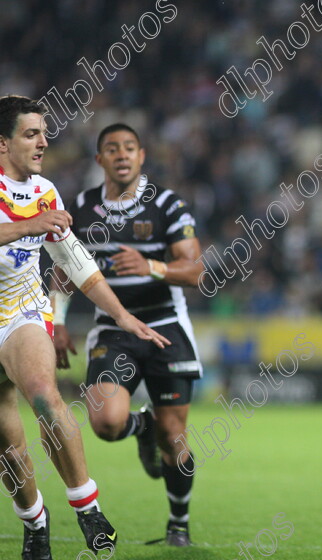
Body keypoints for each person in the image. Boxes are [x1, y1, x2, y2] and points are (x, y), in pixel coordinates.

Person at [0, 96, 170, 559]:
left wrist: (121, 315)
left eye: (43, 132)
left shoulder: (44, 191)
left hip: (19, 309)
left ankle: (87, 506)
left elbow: (75, 262)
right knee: (9, 452)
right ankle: (35, 523)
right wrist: (29, 226)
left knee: (42, 391)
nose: (42, 141)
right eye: (30, 133)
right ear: (2, 142)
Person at [51, 123, 204, 547]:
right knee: (106, 422)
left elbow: (195, 270)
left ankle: (179, 525)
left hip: (165, 325)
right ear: (99, 160)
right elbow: (64, 269)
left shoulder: (168, 205)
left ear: (142, 157)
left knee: (175, 438)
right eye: (112, 149)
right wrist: (58, 320)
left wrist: (153, 266)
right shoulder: (80, 208)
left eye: (130, 148)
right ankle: (142, 426)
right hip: (113, 329)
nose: (122, 155)